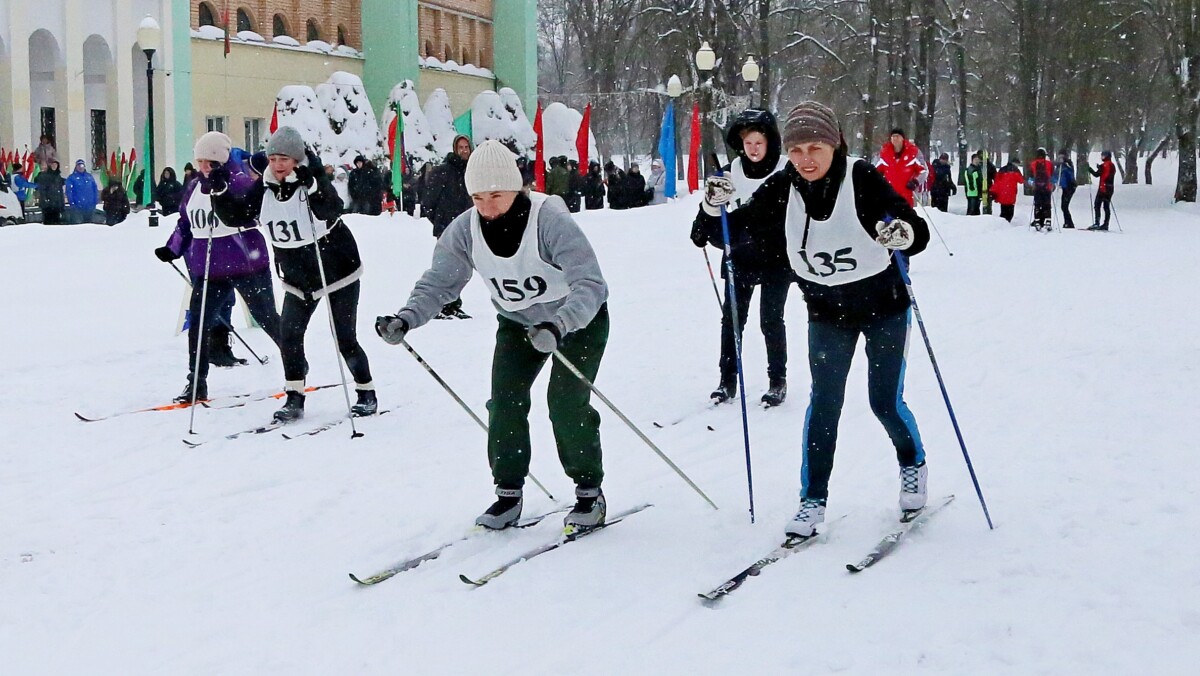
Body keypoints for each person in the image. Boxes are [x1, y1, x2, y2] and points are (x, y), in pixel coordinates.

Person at [696, 101, 931, 537]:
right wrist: (715, 206)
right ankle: (812, 500)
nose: (806, 159)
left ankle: (911, 463)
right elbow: (730, 232)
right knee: (825, 403)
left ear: (835, 144)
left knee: (884, 402)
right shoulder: (784, 187)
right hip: (827, 313)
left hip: (884, 308)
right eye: (797, 149)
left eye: (816, 147)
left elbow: (912, 225)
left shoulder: (860, 177)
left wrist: (904, 234)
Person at [375, 140, 611, 531]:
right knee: (505, 402)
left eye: (496, 196)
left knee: (565, 403)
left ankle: (589, 490)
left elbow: (590, 282)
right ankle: (508, 493)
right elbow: (441, 282)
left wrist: (560, 323)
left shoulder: (548, 218)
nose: (486, 207)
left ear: (516, 189)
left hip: (576, 323)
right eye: (478, 197)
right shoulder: (466, 229)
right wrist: (407, 318)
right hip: (518, 324)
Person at [215, 126, 376, 422]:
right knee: (289, 336)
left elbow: (332, 209)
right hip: (298, 278)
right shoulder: (263, 188)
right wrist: (220, 192)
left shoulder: (310, 180)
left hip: (337, 269)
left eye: (285, 159)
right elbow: (237, 216)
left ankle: (366, 391)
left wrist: (313, 186)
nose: (278, 165)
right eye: (273, 158)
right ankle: (294, 397)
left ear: (296, 160)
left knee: (344, 337)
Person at [154, 131, 282, 403]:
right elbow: (186, 223)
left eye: (209, 162)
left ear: (222, 162)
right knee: (199, 326)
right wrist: (173, 247)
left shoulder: (238, 181)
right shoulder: (193, 187)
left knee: (268, 318)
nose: (203, 168)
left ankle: (296, 363)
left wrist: (225, 192)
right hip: (209, 270)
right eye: (200, 161)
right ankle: (196, 382)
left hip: (245, 264)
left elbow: (249, 211)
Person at [690, 108, 791, 407]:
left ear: (770, 142)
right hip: (741, 255)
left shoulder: (785, 170)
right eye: (748, 144)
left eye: (759, 143)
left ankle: (777, 380)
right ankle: (727, 380)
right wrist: (701, 224)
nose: (754, 150)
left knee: (771, 319)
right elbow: (712, 204)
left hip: (777, 257)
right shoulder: (730, 171)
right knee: (732, 320)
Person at [422, 134, 474, 319]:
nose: (464, 151)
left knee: (462, 270)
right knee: (445, 269)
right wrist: (440, 220)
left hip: (467, 228)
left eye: (466, 147)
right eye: (460, 147)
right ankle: (439, 305)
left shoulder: (473, 171)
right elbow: (428, 202)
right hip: (447, 227)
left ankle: (453, 304)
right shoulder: (443, 172)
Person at [875, 128, 928, 207]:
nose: (895, 139)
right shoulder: (884, 153)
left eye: (897, 136)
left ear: (903, 138)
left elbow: (923, 171)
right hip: (889, 196)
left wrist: (915, 182)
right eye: (893, 136)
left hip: (907, 195)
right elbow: (875, 172)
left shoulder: (913, 152)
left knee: (906, 218)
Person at [1087, 150, 1116, 230]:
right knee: (1106, 206)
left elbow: (1097, 174)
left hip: (1103, 188)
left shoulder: (1105, 165)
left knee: (1097, 205)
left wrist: (1090, 169)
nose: (1102, 157)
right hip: (1109, 188)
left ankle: (1097, 223)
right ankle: (1106, 224)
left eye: (1103, 156)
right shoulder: (1111, 165)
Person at [1028, 148, 1055, 230]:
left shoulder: (1033, 164)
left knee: (1037, 204)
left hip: (1037, 187)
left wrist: (1032, 184)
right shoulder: (1049, 164)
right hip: (1047, 187)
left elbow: (1030, 177)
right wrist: (1052, 184)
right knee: (1047, 204)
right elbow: (1052, 176)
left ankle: (1037, 220)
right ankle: (1048, 220)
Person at [64, 160, 99, 224]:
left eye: (82, 165)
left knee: (90, 225)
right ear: (76, 167)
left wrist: (96, 199)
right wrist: (72, 203)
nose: (81, 167)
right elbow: (69, 191)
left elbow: (95, 188)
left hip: (90, 206)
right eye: (79, 165)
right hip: (77, 207)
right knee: (79, 225)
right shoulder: (72, 178)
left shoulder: (89, 177)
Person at [990, 158, 1022, 223]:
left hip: (1002, 193)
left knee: (1003, 209)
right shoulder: (1016, 170)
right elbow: (1021, 180)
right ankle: (1007, 223)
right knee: (1010, 212)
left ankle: (1003, 222)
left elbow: (996, 180)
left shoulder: (1002, 169)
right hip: (1011, 193)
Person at [35, 160, 65, 225]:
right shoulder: (44, 176)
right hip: (48, 205)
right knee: (48, 222)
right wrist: (46, 200)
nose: (54, 167)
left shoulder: (58, 176)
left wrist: (62, 203)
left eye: (56, 165)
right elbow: (42, 190)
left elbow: (60, 191)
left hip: (57, 204)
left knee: (57, 222)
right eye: (53, 165)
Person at [1056, 151, 1077, 229]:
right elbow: (1056, 174)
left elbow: (1070, 172)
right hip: (1065, 187)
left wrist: (1063, 164)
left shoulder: (1068, 164)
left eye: (1062, 156)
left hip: (1070, 186)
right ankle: (1067, 222)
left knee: (1064, 206)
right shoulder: (1059, 165)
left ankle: (1069, 223)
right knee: (1063, 206)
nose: (1060, 158)